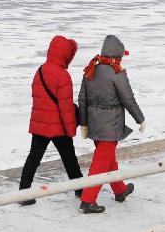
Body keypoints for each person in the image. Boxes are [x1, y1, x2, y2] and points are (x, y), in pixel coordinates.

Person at [77, 34, 146, 214]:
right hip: (110, 125)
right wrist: (140, 119)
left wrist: (84, 124)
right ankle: (88, 200)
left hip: (94, 123)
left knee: (108, 159)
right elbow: (128, 99)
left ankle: (120, 191)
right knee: (100, 163)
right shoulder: (117, 73)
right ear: (118, 56)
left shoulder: (90, 71)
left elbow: (82, 100)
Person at [18, 35, 83, 205]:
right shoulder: (63, 76)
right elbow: (66, 107)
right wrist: (70, 130)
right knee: (69, 159)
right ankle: (80, 189)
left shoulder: (39, 71)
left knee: (33, 158)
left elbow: (37, 98)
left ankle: (24, 193)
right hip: (58, 127)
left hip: (39, 124)